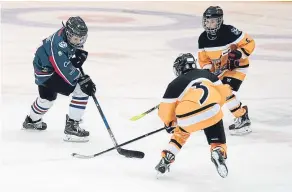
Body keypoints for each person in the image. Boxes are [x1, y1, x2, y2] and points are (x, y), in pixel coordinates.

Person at [155, 53, 232, 178]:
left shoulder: (175, 83)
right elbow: (224, 92)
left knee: (181, 132)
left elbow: (165, 110)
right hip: (211, 111)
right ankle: (218, 150)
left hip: (187, 117)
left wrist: (169, 123)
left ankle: (168, 155)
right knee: (213, 118)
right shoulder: (209, 75)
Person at [22, 16, 96, 142]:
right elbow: (63, 70)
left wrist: (74, 55)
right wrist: (81, 79)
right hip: (48, 73)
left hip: (43, 70)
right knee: (82, 89)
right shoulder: (57, 44)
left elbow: (65, 56)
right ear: (68, 33)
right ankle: (72, 127)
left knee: (47, 99)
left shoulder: (64, 35)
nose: (78, 42)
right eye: (76, 38)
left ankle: (32, 121)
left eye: (81, 39)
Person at [198, 6, 256, 135]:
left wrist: (238, 54)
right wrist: (208, 70)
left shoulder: (229, 31)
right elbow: (204, 60)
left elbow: (250, 42)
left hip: (238, 67)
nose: (209, 24)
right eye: (207, 21)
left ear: (219, 21)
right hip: (221, 70)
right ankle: (207, 119)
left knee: (225, 90)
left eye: (212, 21)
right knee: (210, 93)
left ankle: (242, 117)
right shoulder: (202, 38)